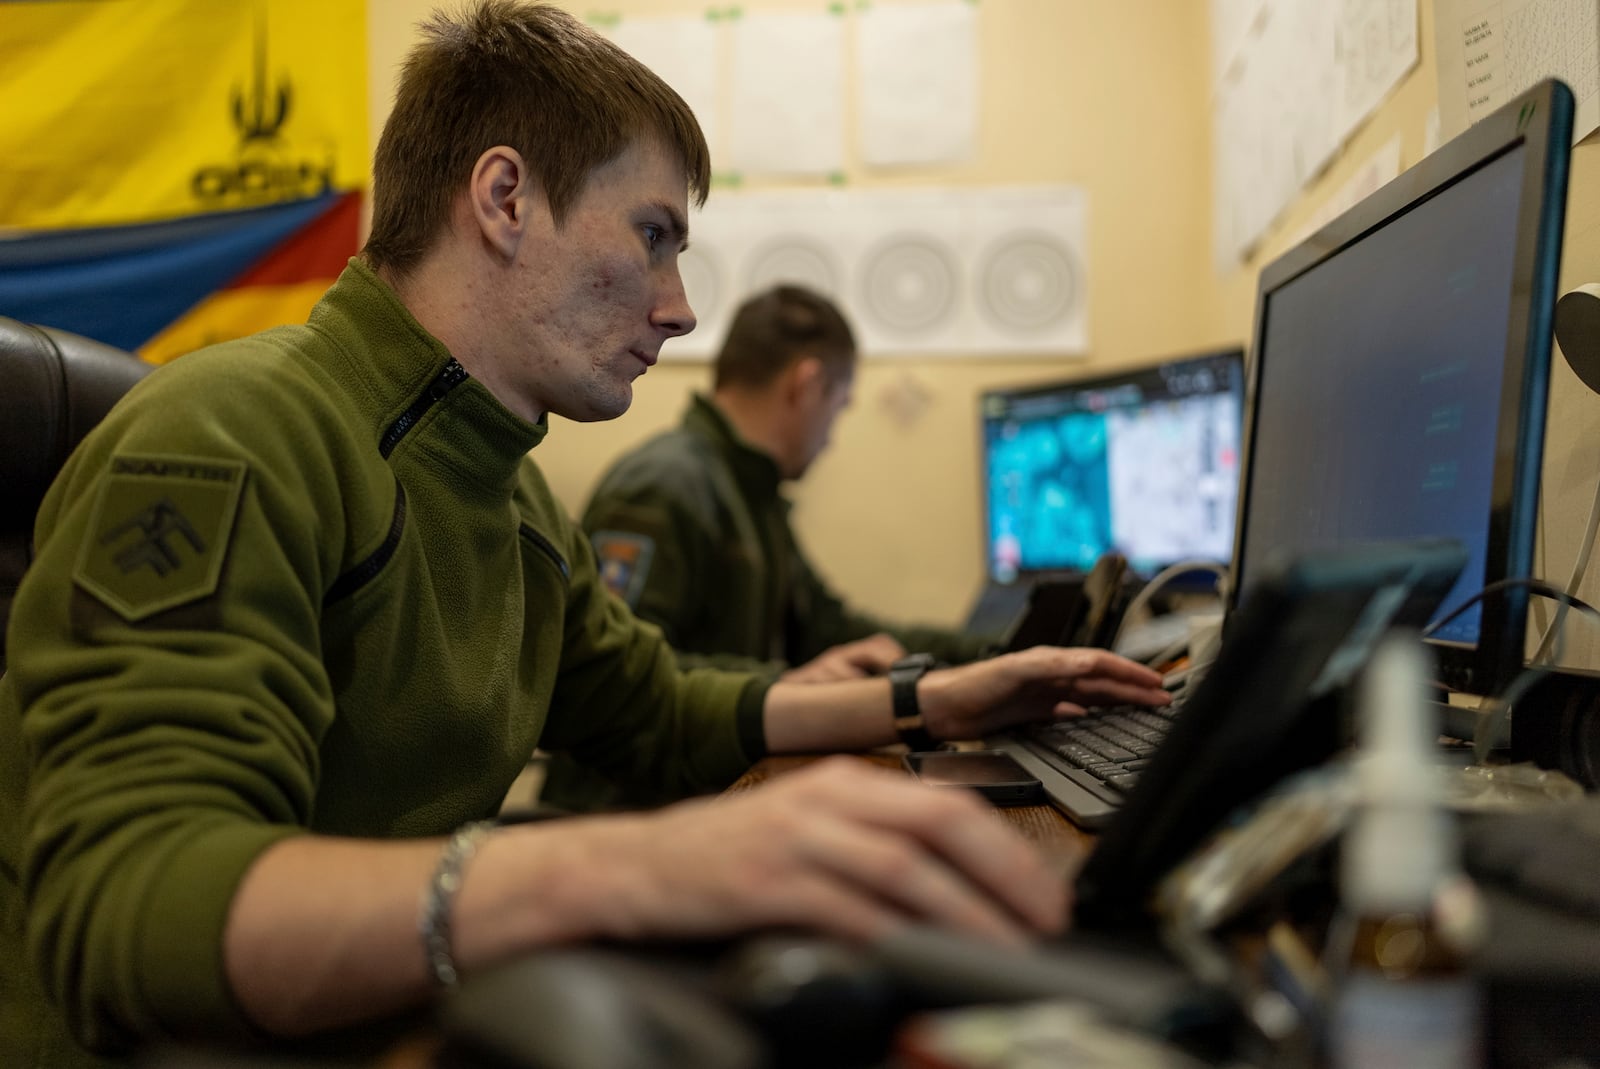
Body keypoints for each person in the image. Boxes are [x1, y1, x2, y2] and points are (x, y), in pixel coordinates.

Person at [0, 3, 1169, 1065]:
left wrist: (931, 699)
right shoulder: (237, 432)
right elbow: (130, 905)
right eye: (654, 235)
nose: (679, 305)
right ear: (504, 199)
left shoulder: (505, 495)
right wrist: (635, 869)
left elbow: (654, 706)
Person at [583, 284, 992, 683]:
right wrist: (785, 690)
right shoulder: (661, 487)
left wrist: (997, 654)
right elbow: (611, 677)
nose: (830, 440)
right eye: (839, 408)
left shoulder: (752, 493)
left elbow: (830, 630)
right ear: (808, 385)